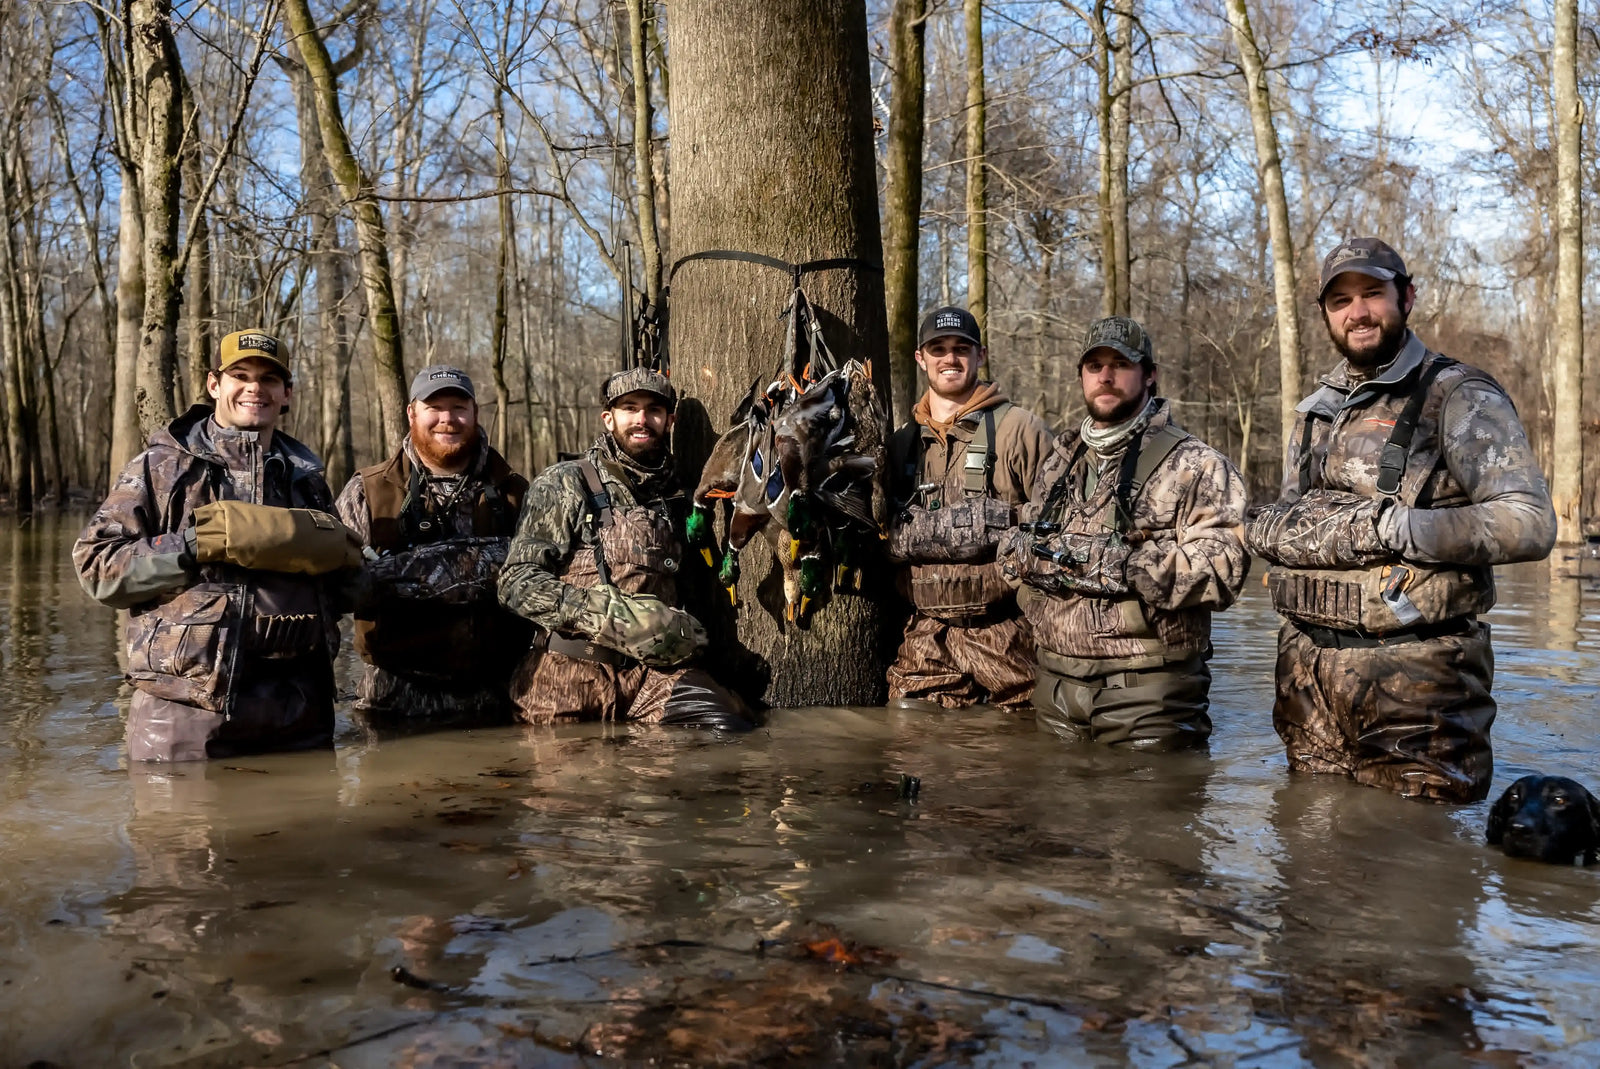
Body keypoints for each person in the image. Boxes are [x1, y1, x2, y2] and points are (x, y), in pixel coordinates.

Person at [1246, 237, 1556, 803]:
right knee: (1306, 863)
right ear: (1325, 315)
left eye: (1372, 293)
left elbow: (1529, 522)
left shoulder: (1458, 395)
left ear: (1406, 297)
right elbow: (1303, 525)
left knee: (1416, 865)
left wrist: (1396, 528)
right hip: (1305, 683)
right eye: (1340, 301)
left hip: (1418, 685)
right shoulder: (1316, 411)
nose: (1357, 312)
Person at [74, 329, 360, 762]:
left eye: (268, 380)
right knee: (183, 828)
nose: (254, 388)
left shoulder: (309, 482)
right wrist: (191, 546)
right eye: (239, 375)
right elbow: (97, 566)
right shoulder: (162, 467)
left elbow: (341, 594)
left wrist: (349, 566)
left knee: (311, 826)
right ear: (214, 385)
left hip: (300, 716)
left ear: (287, 394)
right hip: (185, 719)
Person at [999, 316, 1249, 751]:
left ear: (1149, 374)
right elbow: (1025, 542)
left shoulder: (1197, 463)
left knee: (1144, 813)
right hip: (1055, 684)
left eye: (1121, 364)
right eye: (1095, 366)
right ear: (1081, 376)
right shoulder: (1061, 461)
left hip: (1147, 691)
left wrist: (1131, 566)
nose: (1106, 376)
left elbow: (1225, 568)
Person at [498, 367, 752, 729]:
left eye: (653, 410)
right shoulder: (565, 482)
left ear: (669, 420)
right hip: (566, 672)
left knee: (728, 726)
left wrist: (730, 662)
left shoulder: (681, 499)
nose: (641, 419)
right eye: (629, 408)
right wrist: (609, 615)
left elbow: (700, 598)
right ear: (608, 418)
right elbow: (515, 583)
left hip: (652, 677)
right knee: (577, 782)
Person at [335, 366, 531, 732]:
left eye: (458, 407)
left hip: (500, 698)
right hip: (392, 699)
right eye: (434, 407)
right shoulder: (367, 491)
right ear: (411, 413)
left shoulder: (516, 492)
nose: (447, 419)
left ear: (475, 412)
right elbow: (333, 590)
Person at [884, 306, 1054, 710]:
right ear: (920, 359)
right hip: (925, 637)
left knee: (1022, 745)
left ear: (981, 355)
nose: (950, 358)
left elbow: (1056, 528)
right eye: (938, 348)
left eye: (962, 348)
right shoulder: (899, 445)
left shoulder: (1021, 430)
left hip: (1009, 634)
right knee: (909, 732)